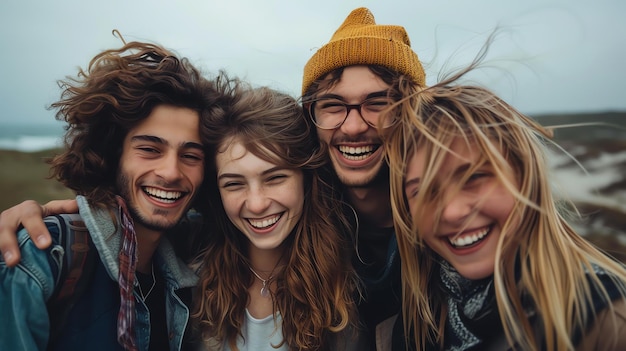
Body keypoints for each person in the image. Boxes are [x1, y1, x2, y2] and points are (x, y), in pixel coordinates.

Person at [0, 6, 424, 349]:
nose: (353, 125)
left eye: (378, 102)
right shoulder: (183, 268)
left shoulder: (374, 267)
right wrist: (78, 220)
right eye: (234, 182)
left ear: (306, 178)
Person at [0, 40, 228, 350]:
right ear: (113, 154)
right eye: (149, 149)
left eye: (191, 155)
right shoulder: (43, 257)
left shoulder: (196, 256)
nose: (172, 172)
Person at [383, 67, 626, 350]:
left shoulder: (608, 321)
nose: (452, 212)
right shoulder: (423, 316)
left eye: (473, 177)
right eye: (424, 191)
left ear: (525, 177)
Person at [190, 83, 362, 350]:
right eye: (234, 184)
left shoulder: (350, 290)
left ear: (305, 179)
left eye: (275, 178)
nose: (257, 204)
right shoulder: (191, 286)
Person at [300, 7, 426, 348]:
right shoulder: (290, 226)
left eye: (378, 103)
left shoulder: (449, 223)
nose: (353, 127)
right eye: (332, 105)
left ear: (412, 111)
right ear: (311, 117)